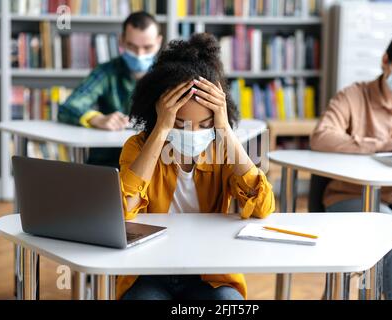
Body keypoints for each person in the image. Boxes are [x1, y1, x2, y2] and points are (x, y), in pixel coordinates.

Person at [116, 33, 275, 300]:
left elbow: (262, 207)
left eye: (204, 125)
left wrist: (224, 128)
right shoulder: (138, 146)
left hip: (209, 271)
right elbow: (122, 210)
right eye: (179, 124)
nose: (192, 133)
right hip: (149, 269)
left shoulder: (222, 148)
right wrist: (162, 128)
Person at [311, 29, 392, 300]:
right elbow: (321, 136)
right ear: (385, 61)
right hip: (350, 194)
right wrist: (380, 144)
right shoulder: (353, 96)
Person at [58, 11, 163, 168]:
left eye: (147, 47)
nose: (139, 55)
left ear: (159, 42)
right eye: (132, 46)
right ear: (121, 41)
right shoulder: (106, 71)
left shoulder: (169, 74)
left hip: (155, 165)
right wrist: (97, 119)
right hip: (109, 163)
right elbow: (68, 107)